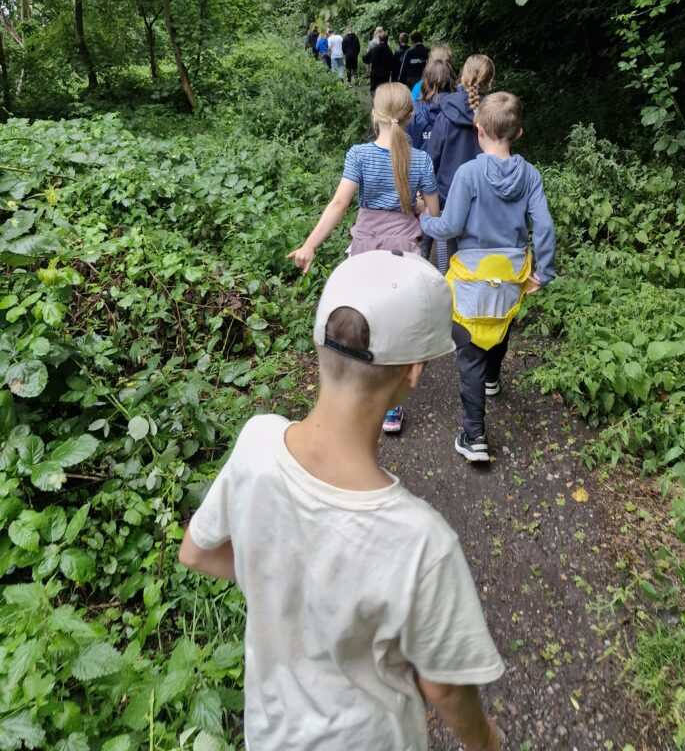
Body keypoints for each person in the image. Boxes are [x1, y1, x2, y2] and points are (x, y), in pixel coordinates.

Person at [179, 250, 505, 751]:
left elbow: (196, 552)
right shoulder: (421, 541)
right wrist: (486, 741)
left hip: (269, 734)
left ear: (318, 340)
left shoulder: (256, 442)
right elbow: (443, 687)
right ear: (414, 372)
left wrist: (290, 588)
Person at [288, 82, 440, 432]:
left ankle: (355, 390)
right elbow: (433, 213)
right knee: (396, 321)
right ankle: (391, 407)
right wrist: (417, 205)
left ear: (375, 114)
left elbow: (339, 203)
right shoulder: (421, 160)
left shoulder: (359, 155)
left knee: (366, 318)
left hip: (365, 248)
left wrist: (310, 244)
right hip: (404, 252)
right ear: (410, 116)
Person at [419, 93, 556, 463]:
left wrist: (424, 219)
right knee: (500, 323)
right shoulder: (530, 175)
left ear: (478, 129)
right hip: (511, 273)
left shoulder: (468, 174)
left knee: (470, 350)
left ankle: (474, 434)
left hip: (471, 275)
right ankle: (493, 378)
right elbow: (544, 227)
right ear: (518, 133)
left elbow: (449, 227)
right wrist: (544, 272)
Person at [427, 54, 495, 273]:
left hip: (448, 196)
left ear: (463, 77)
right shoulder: (495, 115)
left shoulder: (446, 112)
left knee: (446, 262)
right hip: (484, 196)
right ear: (490, 82)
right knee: (478, 261)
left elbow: (432, 156)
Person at [407, 46, 456, 263]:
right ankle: (446, 266)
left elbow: (408, 145)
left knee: (424, 223)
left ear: (425, 81)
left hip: (420, 179)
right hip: (449, 179)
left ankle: (423, 260)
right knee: (447, 229)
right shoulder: (456, 112)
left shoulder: (415, 112)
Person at [362, 29, 396, 94]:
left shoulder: (374, 49)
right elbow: (392, 64)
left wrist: (369, 66)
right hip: (385, 74)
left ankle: (374, 99)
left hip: (375, 73)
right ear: (387, 40)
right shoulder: (389, 51)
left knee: (373, 90)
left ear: (379, 39)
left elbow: (365, 58)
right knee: (385, 90)